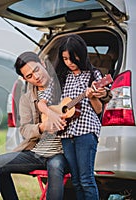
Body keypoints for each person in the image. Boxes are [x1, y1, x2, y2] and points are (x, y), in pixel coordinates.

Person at [0, 51, 68, 200]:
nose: (36, 77)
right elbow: (24, 129)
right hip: (34, 152)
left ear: (42, 64)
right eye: (29, 76)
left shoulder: (64, 86)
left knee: (55, 166)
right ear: (24, 79)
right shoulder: (26, 99)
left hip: (60, 153)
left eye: (36, 70)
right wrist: (42, 127)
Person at [38, 34, 109, 200]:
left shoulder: (93, 75)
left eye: (72, 58)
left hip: (86, 132)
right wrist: (52, 115)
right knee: (76, 181)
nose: (69, 63)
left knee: (86, 179)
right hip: (66, 134)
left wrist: (93, 96)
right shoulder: (61, 78)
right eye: (65, 59)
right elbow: (41, 103)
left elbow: (98, 110)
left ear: (81, 55)